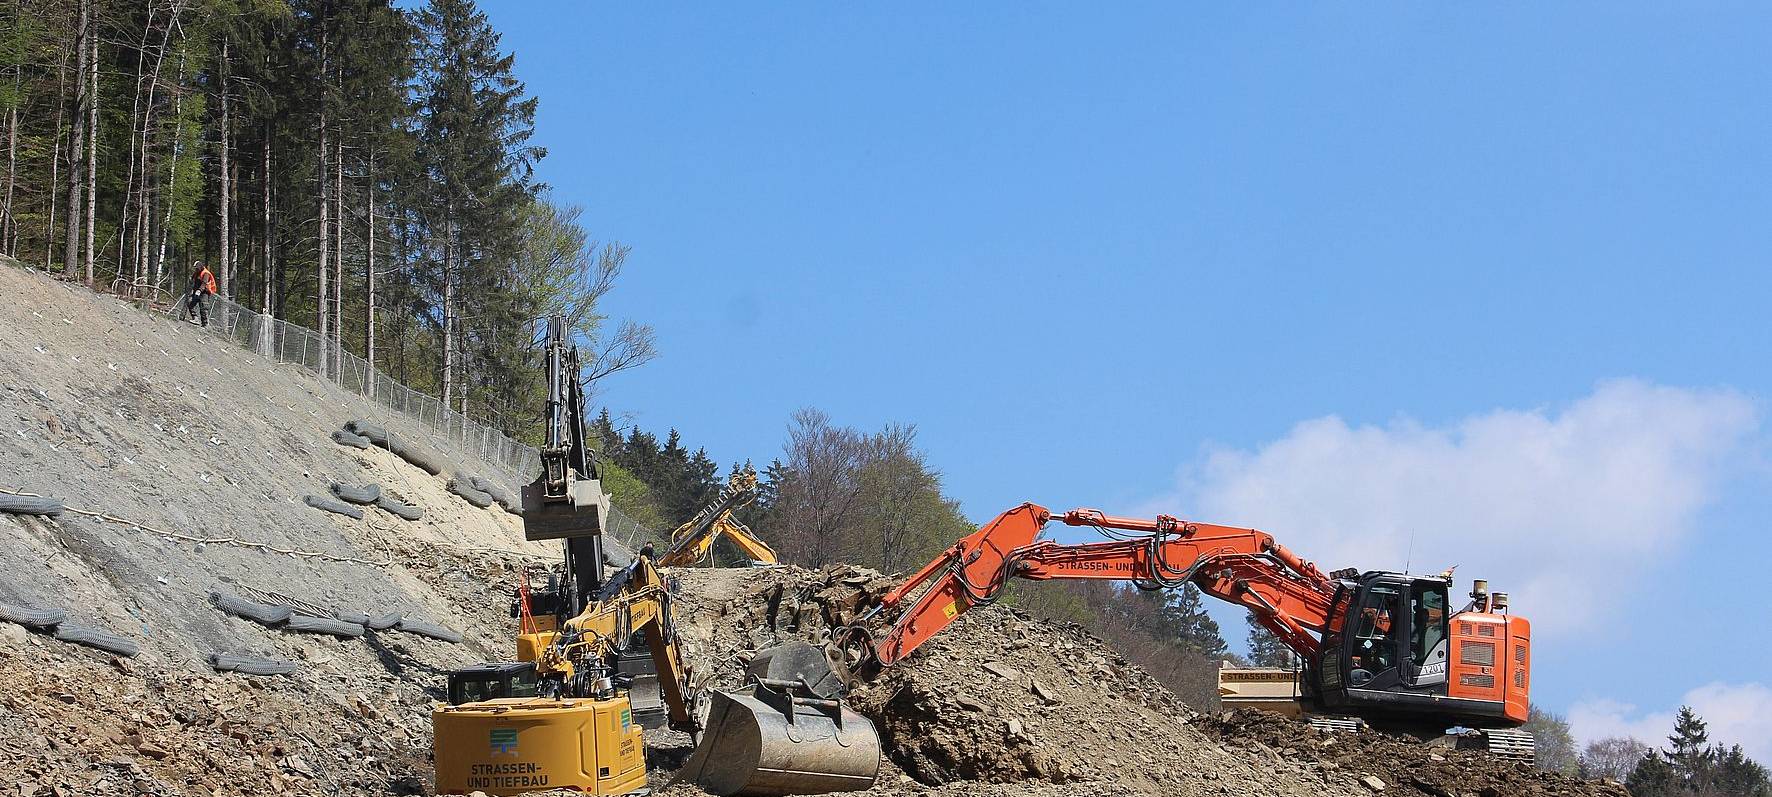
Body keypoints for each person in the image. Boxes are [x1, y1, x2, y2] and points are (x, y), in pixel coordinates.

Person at [187, 260, 217, 327]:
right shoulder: (197, 272)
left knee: (203, 307)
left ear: (200, 267)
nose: (196, 269)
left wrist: (199, 290)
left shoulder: (206, 273)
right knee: (190, 303)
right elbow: (193, 280)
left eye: (196, 268)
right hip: (196, 292)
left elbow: (204, 283)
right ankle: (195, 318)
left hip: (204, 293)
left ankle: (205, 324)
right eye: (195, 268)